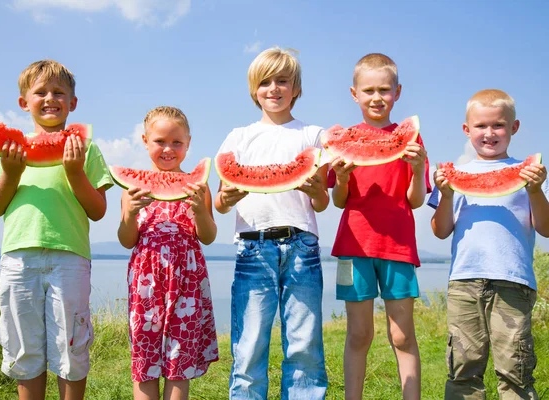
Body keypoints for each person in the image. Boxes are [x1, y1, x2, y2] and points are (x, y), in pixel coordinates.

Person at [0, 60, 113, 400]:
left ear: (73, 103)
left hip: (70, 258)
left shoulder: (87, 149)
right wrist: (10, 173)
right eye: (40, 92)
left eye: (59, 92)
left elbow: (98, 211)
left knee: (71, 348)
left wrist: (74, 171)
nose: (50, 98)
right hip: (18, 259)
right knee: (24, 350)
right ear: (24, 102)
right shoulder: (6, 149)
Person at [215, 47, 329, 400]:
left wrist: (315, 189)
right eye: (265, 82)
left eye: (283, 81)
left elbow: (321, 202)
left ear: (296, 88)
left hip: (303, 246)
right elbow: (220, 200)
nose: (274, 89)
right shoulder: (238, 136)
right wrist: (226, 199)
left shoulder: (313, 135)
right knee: (249, 345)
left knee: (304, 344)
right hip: (252, 245)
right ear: (254, 90)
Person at [429, 89, 549, 399]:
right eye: (481, 126)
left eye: (498, 125)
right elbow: (441, 231)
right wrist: (447, 193)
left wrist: (535, 190)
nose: (489, 133)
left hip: (513, 284)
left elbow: (546, 229)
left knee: (516, 368)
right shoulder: (454, 175)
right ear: (466, 130)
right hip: (464, 282)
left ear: (514, 127)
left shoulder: (530, 174)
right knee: (462, 369)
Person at [328, 53, 430, 399]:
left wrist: (416, 170)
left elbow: (416, 200)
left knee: (402, 335)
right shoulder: (344, 140)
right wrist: (340, 178)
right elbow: (340, 201)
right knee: (358, 334)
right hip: (352, 247)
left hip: (398, 246)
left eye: (384, 90)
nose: (376, 97)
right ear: (353, 93)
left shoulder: (411, 140)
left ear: (397, 92)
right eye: (368, 90)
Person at [117, 106, 219, 400]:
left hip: (187, 285)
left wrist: (200, 209)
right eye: (160, 141)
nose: (168, 149)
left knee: (179, 363)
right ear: (145, 140)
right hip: (146, 284)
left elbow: (209, 236)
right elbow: (126, 240)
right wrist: (129, 215)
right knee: (145, 362)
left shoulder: (198, 185)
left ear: (188, 143)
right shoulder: (132, 188)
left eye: (177, 142)